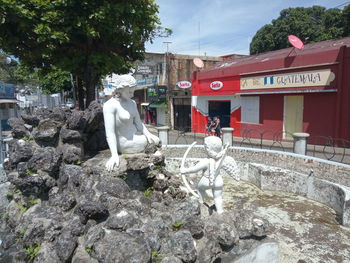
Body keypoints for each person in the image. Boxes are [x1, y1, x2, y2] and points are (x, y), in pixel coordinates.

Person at [103, 75, 160, 171]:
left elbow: (138, 123)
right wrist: (114, 155)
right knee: (152, 143)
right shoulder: (110, 105)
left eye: (133, 91)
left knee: (156, 140)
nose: (132, 94)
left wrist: (148, 134)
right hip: (125, 143)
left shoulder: (132, 103)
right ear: (120, 89)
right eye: (129, 91)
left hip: (137, 136)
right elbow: (110, 133)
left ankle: (150, 147)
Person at [180, 136, 239, 214]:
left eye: (205, 146)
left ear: (208, 149)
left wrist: (184, 170)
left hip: (206, 181)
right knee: (218, 197)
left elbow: (194, 169)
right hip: (218, 181)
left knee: (199, 189)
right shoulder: (222, 159)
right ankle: (220, 212)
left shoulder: (205, 161)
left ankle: (200, 203)